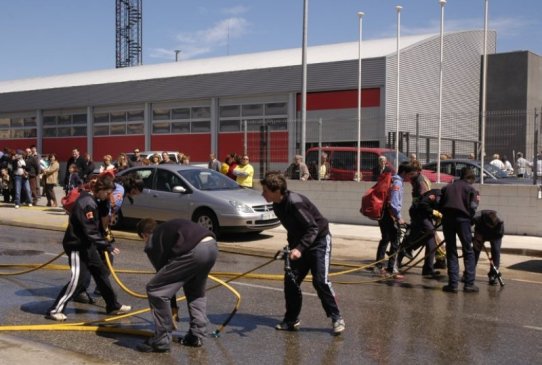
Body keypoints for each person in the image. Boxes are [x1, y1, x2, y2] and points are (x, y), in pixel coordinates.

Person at [260, 171, 345, 335]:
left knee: (320, 281)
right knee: (290, 281)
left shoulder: (294, 203)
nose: (262, 194)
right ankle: (291, 319)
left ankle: (336, 317)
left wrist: (299, 248)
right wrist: (291, 248)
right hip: (301, 245)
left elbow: (312, 228)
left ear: (276, 190)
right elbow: (293, 229)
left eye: (265, 191)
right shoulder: (277, 205)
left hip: (319, 241)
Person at [46, 173, 131, 321]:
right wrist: (107, 246)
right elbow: (90, 230)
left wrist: (105, 204)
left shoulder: (97, 200)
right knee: (79, 279)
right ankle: (55, 309)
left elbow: (100, 223)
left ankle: (113, 306)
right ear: (101, 189)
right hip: (77, 245)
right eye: (108, 193)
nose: (110, 196)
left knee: (101, 273)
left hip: (88, 245)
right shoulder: (87, 203)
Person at [135, 218, 218, 352]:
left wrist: (172, 308)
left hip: (195, 251)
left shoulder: (154, 239)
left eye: (143, 239)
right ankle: (196, 336)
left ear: (144, 235)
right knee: (196, 292)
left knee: (154, 289)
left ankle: (161, 340)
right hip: (211, 245)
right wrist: (173, 307)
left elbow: (163, 283)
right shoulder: (167, 229)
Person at [440, 167, 480, 293]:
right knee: (468, 251)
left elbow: (439, 204)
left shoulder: (447, 187)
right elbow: (473, 207)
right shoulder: (471, 189)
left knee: (451, 251)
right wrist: (470, 218)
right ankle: (469, 284)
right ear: (470, 178)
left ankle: (453, 285)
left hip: (447, 221)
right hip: (463, 221)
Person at [374, 162, 417, 277]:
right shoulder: (397, 182)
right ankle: (391, 269)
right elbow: (393, 203)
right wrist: (399, 218)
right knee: (395, 242)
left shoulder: (393, 180)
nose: (411, 177)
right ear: (404, 173)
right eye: (410, 174)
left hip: (384, 214)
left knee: (385, 239)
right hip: (390, 215)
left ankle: (379, 267)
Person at [472, 210, 504, 285]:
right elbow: (467, 224)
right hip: (480, 231)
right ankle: (469, 273)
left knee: (496, 251)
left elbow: (499, 236)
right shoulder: (478, 217)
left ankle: (493, 275)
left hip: (495, 233)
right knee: (475, 250)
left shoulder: (500, 223)